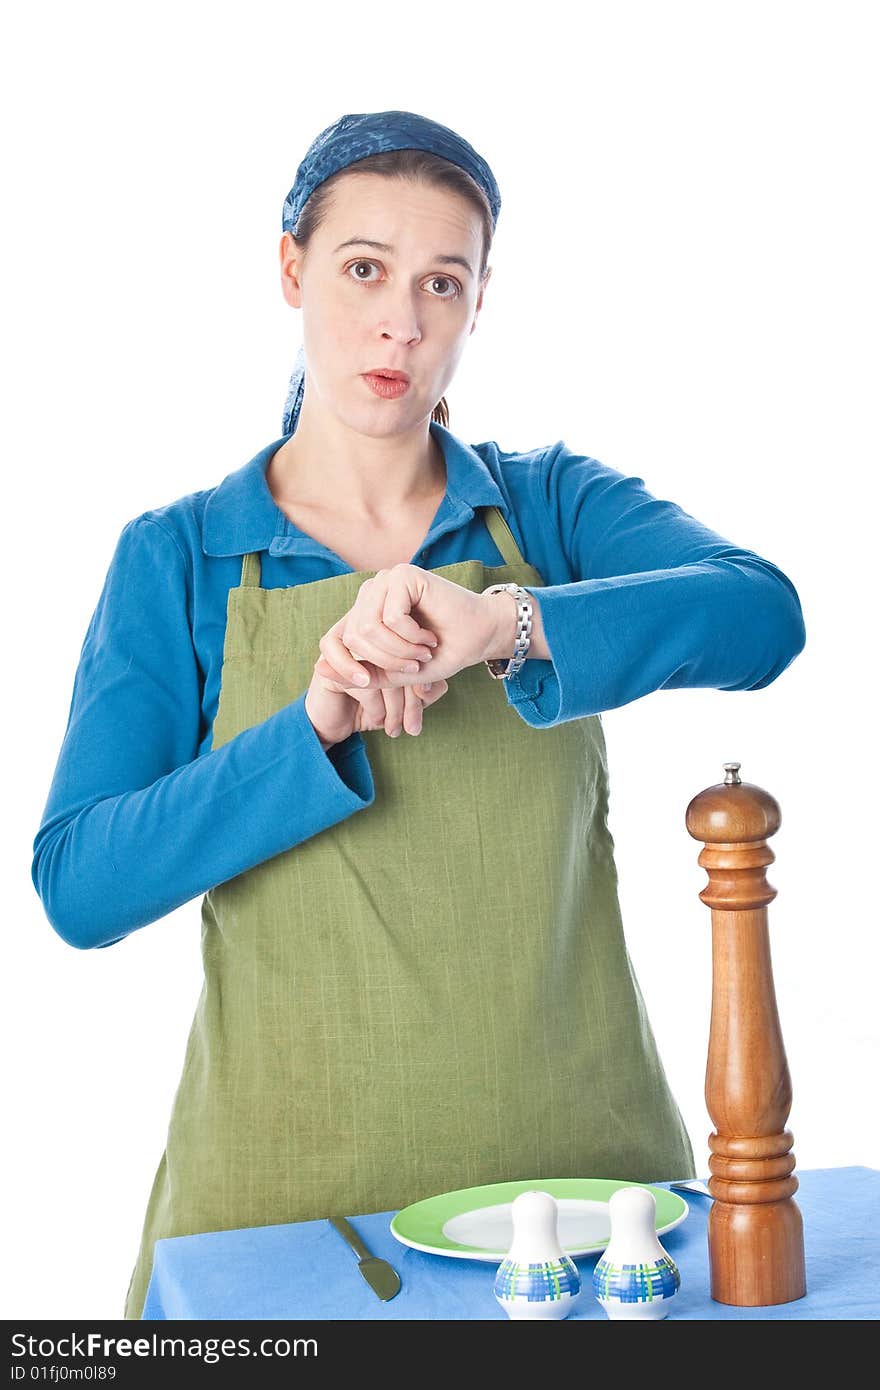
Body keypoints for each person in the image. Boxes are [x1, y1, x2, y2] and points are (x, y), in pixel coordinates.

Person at [31, 110, 807, 1322]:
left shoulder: (547, 510)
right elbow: (80, 885)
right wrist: (312, 728)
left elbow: (761, 616)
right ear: (290, 269)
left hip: (586, 1191)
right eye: (363, 270)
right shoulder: (178, 558)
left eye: (442, 280)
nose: (401, 320)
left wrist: (510, 623)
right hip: (277, 1212)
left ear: (480, 299)